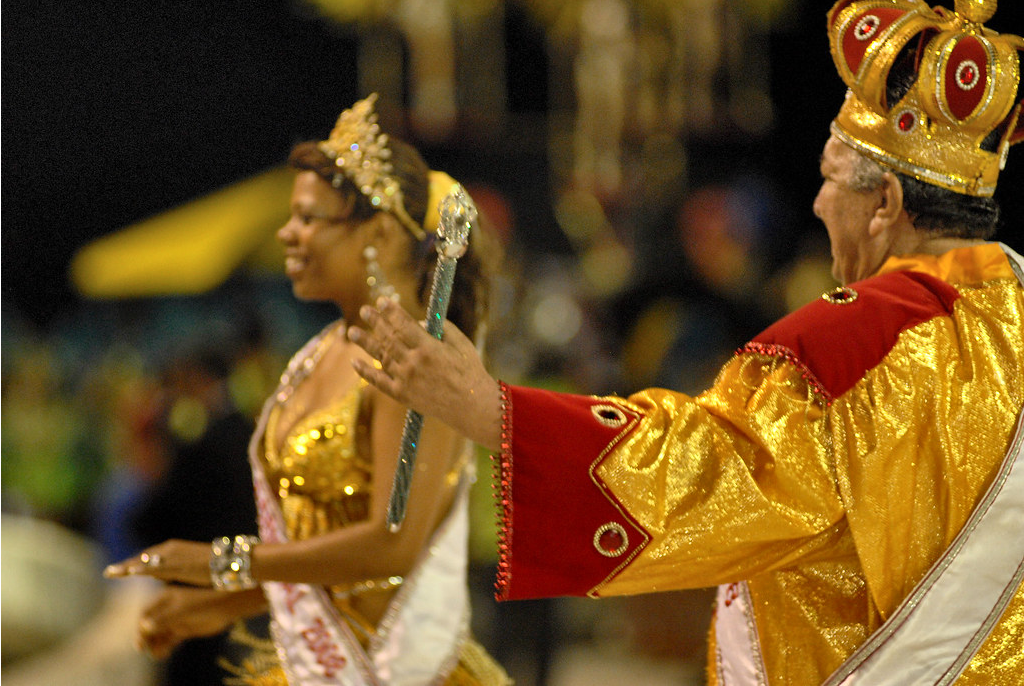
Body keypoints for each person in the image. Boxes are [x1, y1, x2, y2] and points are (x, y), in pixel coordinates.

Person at [345, 2, 1024, 684]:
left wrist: (487, 408)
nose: (818, 204)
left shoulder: (847, 348)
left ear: (885, 206)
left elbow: (709, 473)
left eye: (829, 177)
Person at [104, 93, 511, 686]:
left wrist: (223, 564)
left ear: (378, 232)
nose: (286, 233)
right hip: (311, 662)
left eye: (308, 218)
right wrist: (223, 604)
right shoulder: (319, 353)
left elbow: (394, 546)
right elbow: (332, 559)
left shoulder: (416, 361)